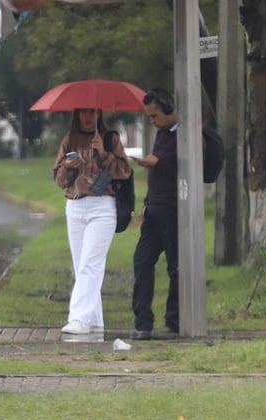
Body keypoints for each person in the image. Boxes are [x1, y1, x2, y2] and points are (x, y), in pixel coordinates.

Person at [52, 108, 132, 335]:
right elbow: (59, 180)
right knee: (81, 266)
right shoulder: (69, 141)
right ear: (76, 115)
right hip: (75, 206)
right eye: (83, 113)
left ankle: (78, 318)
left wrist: (104, 154)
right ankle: (95, 320)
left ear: (99, 115)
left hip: (103, 206)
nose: (87, 117)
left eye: (92, 112)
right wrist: (68, 167)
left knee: (90, 263)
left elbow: (124, 171)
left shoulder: (110, 139)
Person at [129, 88, 180, 339]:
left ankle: (175, 319)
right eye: (148, 116)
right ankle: (143, 322)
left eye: (155, 115)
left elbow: (177, 163)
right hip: (154, 208)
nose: (152, 121)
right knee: (141, 261)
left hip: (174, 208)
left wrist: (157, 162)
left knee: (175, 266)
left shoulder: (187, 135)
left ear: (169, 110)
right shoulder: (161, 134)